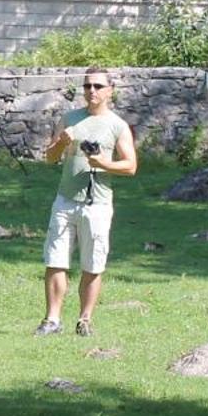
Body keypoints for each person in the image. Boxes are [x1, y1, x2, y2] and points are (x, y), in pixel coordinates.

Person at [35, 67, 137, 338]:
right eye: (87, 86)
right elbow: (49, 158)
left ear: (109, 91)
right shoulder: (69, 119)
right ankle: (52, 320)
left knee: (93, 264)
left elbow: (131, 166)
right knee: (55, 260)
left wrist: (104, 163)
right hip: (65, 200)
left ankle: (84, 320)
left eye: (98, 86)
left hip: (98, 204)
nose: (92, 91)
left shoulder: (117, 125)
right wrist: (61, 143)